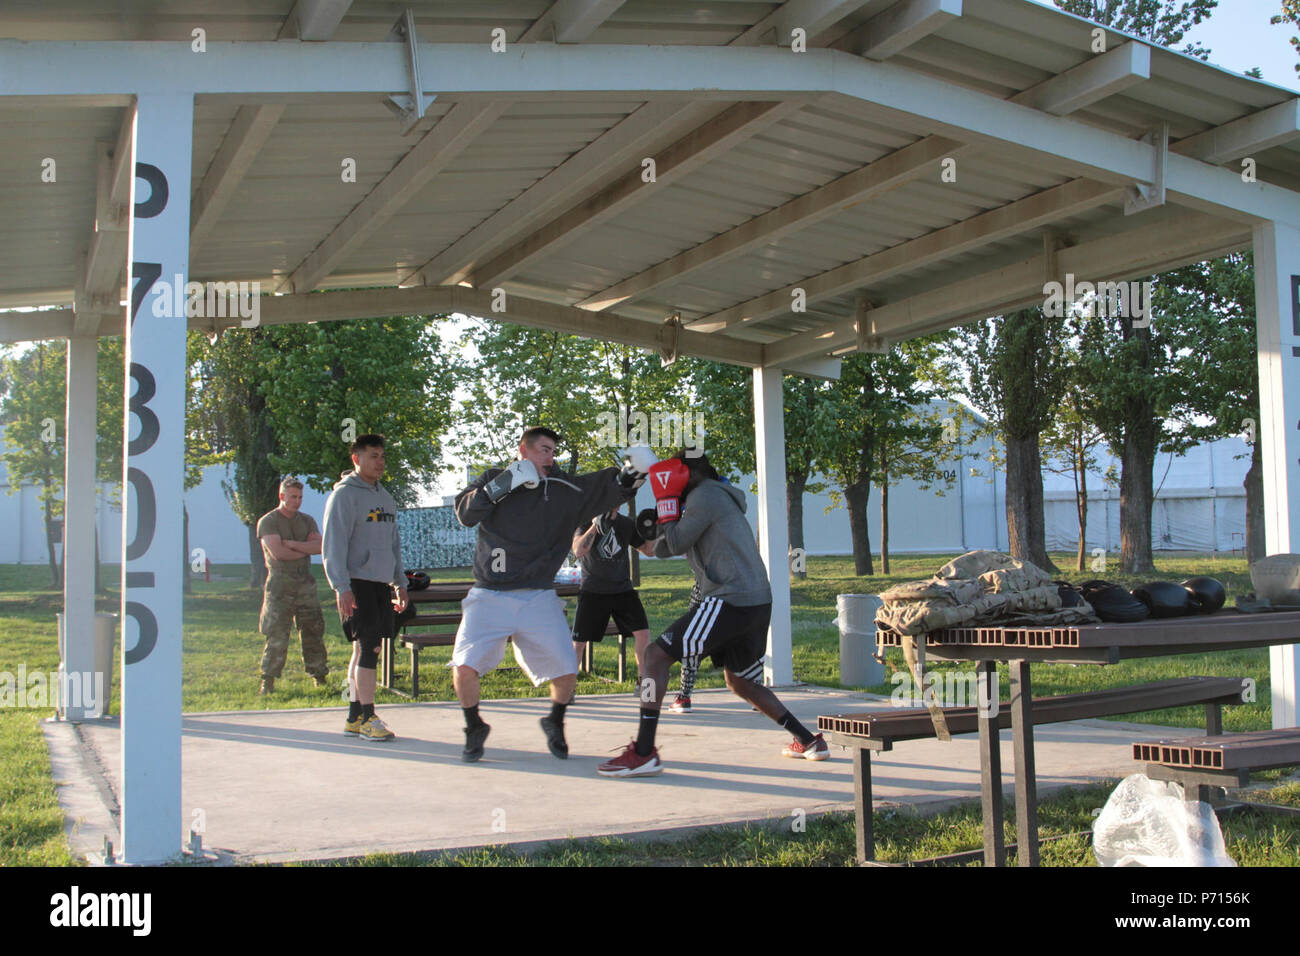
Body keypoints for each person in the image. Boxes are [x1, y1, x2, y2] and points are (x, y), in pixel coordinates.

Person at [598, 450, 829, 777]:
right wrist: (649, 525)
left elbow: (673, 543)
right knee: (740, 681)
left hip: (730, 598)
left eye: (669, 477)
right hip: (754, 600)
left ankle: (644, 751)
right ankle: (808, 740)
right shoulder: (714, 496)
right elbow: (663, 548)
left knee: (653, 656)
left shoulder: (705, 496)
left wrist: (665, 509)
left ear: (685, 474)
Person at [452, 427, 653, 763]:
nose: (550, 458)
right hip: (489, 594)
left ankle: (554, 720)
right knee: (464, 666)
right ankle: (474, 726)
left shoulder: (562, 488)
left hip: (538, 596)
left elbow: (601, 490)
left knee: (566, 671)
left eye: (553, 451)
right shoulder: (493, 478)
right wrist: (502, 484)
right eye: (544, 450)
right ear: (523, 450)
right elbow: (465, 515)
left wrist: (633, 472)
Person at [322, 434, 408, 742]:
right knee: (369, 648)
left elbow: (394, 544)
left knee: (364, 648)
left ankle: (353, 717)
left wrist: (400, 582)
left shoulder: (385, 497)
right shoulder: (344, 496)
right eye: (374, 456)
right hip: (356, 583)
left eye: (383, 456)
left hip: (380, 584)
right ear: (356, 459)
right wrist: (341, 586)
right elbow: (333, 544)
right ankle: (370, 716)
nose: (380, 462)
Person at [256, 477, 329, 694]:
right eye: (292, 497)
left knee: (313, 630)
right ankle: (267, 680)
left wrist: (294, 544)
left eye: (300, 497)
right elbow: (278, 553)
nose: (297, 501)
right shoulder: (268, 521)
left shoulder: (306, 521)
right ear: (282, 496)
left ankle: (319, 675)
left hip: (305, 582)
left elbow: (320, 547)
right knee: (277, 633)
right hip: (280, 583)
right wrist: (304, 548)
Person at [570, 508, 652, 687]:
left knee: (643, 633)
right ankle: (568, 687)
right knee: (578, 642)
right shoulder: (584, 520)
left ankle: (644, 683)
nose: (615, 506)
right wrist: (594, 526)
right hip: (593, 590)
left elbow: (649, 550)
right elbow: (578, 550)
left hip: (622, 589)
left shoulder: (626, 524)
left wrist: (654, 530)